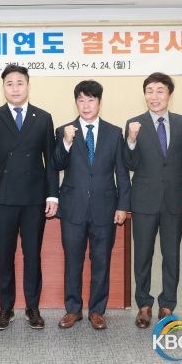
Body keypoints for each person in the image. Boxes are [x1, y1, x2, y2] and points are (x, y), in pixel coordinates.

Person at [0, 64, 59, 331]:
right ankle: (6, 308)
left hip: (34, 197)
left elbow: (51, 160)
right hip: (4, 197)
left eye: (20, 83)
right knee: (4, 256)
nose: (15, 88)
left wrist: (52, 194)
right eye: (9, 83)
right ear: (3, 88)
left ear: (28, 86)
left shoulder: (43, 117)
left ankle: (32, 308)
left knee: (32, 255)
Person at [53, 80, 130, 331]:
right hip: (73, 208)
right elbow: (56, 164)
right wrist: (66, 142)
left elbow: (121, 173)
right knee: (72, 261)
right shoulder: (64, 131)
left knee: (101, 261)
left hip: (105, 208)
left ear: (99, 102)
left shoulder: (114, 133)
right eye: (81, 100)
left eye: (91, 100)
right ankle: (73, 309)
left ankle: (97, 310)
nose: (86, 105)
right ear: (76, 102)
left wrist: (122, 205)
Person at [123, 73, 182, 329]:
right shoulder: (134, 124)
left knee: (171, 254)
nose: (154, 96)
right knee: (142, 255)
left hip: (174, 199)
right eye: (149, 91)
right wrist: (131, 140)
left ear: (169, 95)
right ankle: (143, 304)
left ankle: (167, 304)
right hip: (144, 200)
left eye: (160, 91)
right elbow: (130, 164)